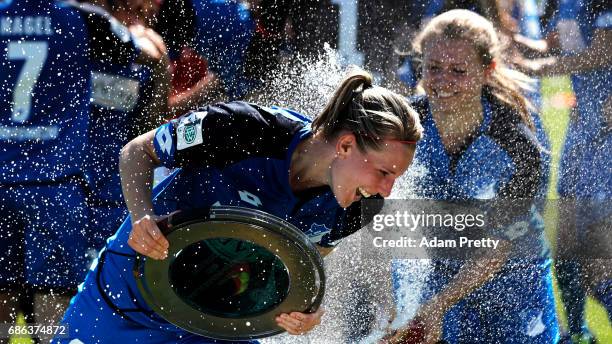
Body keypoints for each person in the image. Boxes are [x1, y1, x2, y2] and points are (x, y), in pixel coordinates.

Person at [53, 66, 423, 343]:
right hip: (130, 291)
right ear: (344, 146)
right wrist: (142, 216)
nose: (387, 190)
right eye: (384, 172)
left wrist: (298, 309)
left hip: (215, 319)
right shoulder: (244, 128)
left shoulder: (361, 204)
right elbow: (138, 151)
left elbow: (300, 262)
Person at [384, 10, 558, 343]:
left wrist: (436, 308)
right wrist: (396, 305)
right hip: (434, 275)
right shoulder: (401, 125)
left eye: (458, 71)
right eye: (433, 68)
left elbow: (497, 247)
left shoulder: (516, 145)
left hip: (514, 285)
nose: (443, 81)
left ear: (487, 71)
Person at [0, 0, 165, 328]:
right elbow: (150, 54)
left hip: (4, 173)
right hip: (53, 183)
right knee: (56, 297)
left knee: (3, 294)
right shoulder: (82, 18)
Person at [516, 1, 612, 342]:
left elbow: (603, 54)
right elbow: (556, 43)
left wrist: (536, 69)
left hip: (604, 136)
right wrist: (512, 43)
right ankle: (576, 331)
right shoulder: (569, 3)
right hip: (582, 136)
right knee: (566, 242)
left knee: (596, 254)